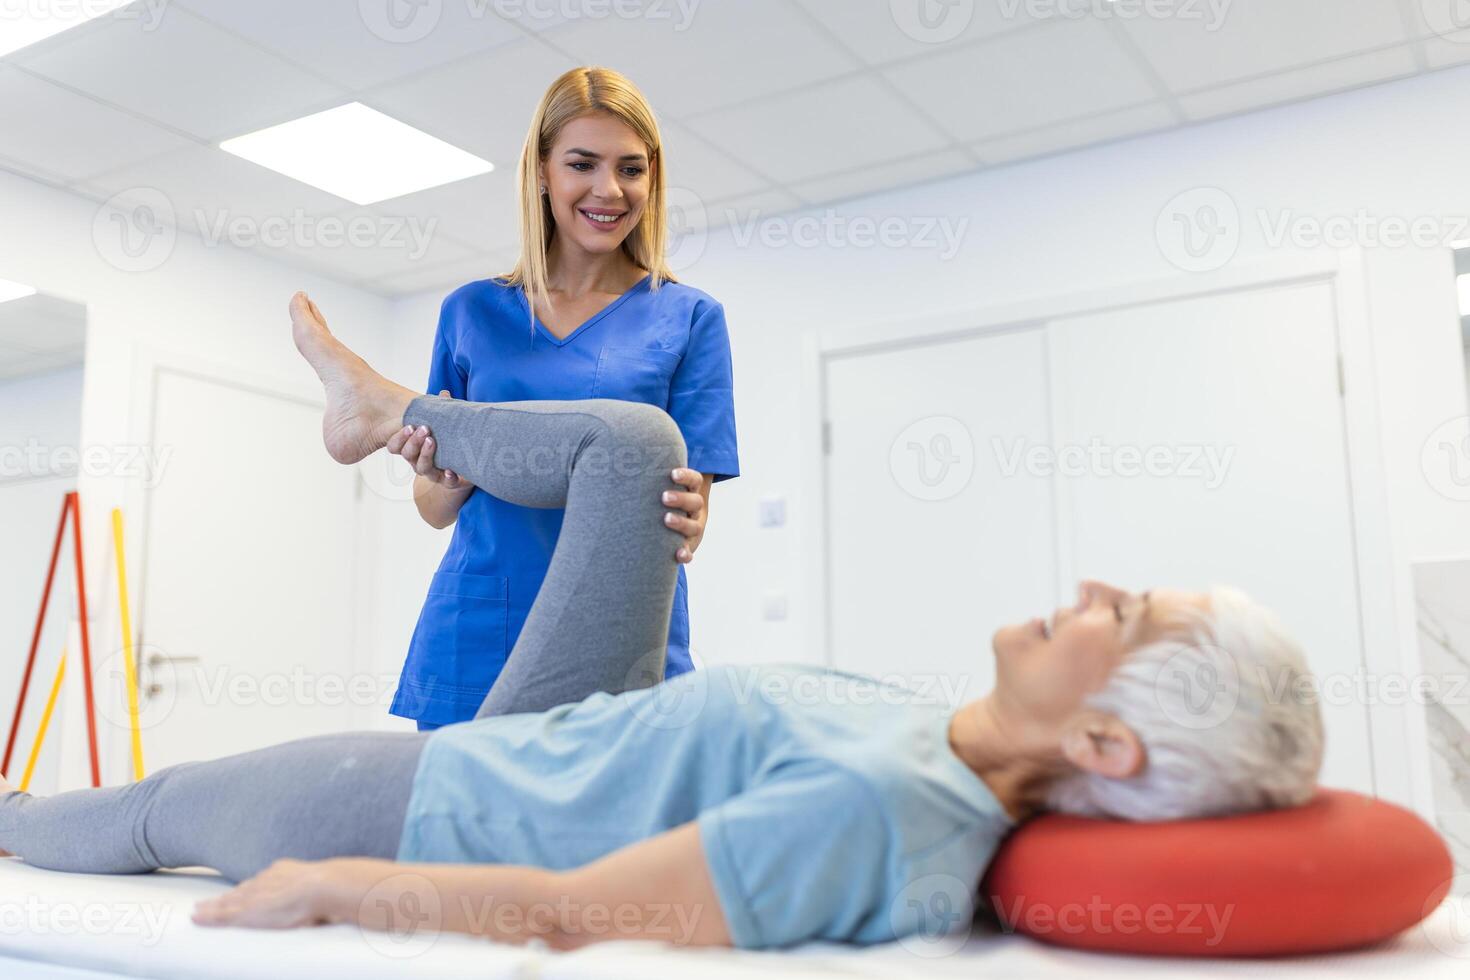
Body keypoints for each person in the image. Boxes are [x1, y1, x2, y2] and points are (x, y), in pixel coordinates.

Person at [0, 295, 1324, 951]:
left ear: (1103, 745)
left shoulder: (885, 807)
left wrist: (334, 886)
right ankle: (382, 411)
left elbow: (580, 912)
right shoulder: (955, 747)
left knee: (143, 811)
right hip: (595, 732)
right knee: (636, 448)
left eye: (1131, 614)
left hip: (438, 798)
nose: (1095, 586)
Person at [395, 66, 740, 730]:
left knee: (613, 831)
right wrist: (440, 473)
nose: (608, 190)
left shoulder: (689, 318)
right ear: (543, 172)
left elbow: (690, 511)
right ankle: (372, 406)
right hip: (482, 627)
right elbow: (434, 509)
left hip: (622, 634)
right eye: (582, 163)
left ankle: (369, 401)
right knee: (462, 830)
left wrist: (694, 512)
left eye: (631, 169)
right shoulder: (471, 312)